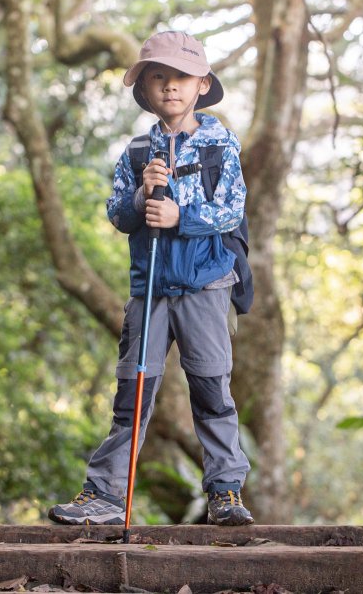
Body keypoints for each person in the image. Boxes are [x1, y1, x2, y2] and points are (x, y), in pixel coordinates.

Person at [48, 30, 253, 527]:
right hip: (150, 289)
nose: (169, 87)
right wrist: (143, 198)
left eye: (180, 77)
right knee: (133, 392)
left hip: (206, 285)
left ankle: (225, 492)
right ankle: (105, 496)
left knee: (210, 390)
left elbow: (232, 210)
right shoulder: (139, 150)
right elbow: (118, 212)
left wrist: (180, 216)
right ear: (145, 89)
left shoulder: (220, 144)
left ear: (201, 84)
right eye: (157, 78)